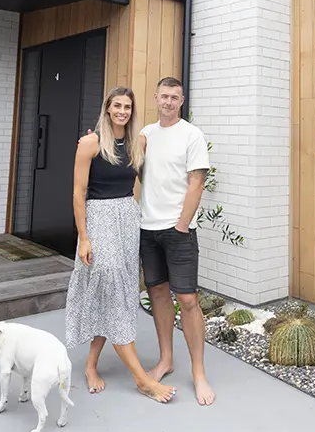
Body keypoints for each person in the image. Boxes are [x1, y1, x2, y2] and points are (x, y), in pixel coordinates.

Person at [64, 86, 177, 404]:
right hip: (99, 219)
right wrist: (84, 238)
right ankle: (142, 379)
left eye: (127, 107)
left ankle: (90, 365)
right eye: (117, 106)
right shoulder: (90, 143)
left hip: (127, 219)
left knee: (114, 294)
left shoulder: (138, 142)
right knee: (111, 288)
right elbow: (78, 193)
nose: (122, 111)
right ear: (107, 108)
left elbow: (157, 173)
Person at [138, 76, 215, 406]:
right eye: (164, 96)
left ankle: (198, 372)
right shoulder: (145, 135)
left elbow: (197, 182)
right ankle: (166, 360)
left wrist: (182, 224)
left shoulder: (191, 135)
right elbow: (127, 164)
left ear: (181, 101)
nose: (168, 101)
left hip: (178, 230)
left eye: (174, 97)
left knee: (187, 300)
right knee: (157, 294)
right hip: (147, 228)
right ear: (155, 98)